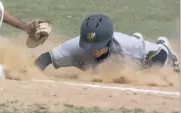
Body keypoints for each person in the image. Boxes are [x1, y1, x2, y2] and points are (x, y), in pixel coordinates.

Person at [34, 14, 179, 72]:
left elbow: (160, 55)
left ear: (108, 41)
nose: (93, 50)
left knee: (155, 63)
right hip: (130, 46)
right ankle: (136, 37)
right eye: (89, 45)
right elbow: (45, 58)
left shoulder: (125, 46)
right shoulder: (74, 46)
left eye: (97, 46)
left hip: (137, 54)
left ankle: (160, 42)